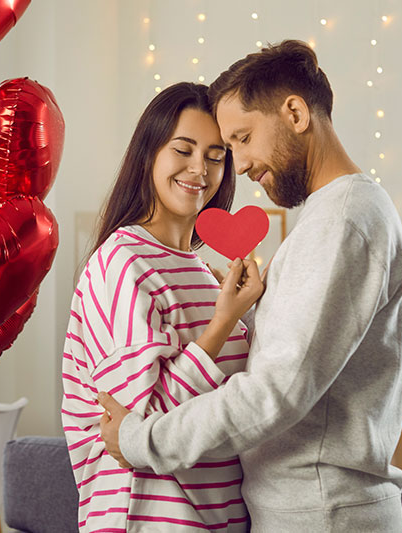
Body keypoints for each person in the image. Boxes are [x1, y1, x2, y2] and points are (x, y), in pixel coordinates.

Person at [99, 39, 402, 532]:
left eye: (240, 139)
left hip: (323, 515)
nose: (238, 166)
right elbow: (302, 362)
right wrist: (249, 313)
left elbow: (275, 392)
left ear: (294, 112)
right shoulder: (327, 217)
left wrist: (142, 441)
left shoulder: (343, 219)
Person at [61, 82, 262, 532]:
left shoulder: (205, 272)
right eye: (183, 150)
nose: (200, 169)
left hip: (219, 518)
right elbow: (138, 430)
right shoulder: (123, 261)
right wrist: (223, 323)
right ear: (149, 153)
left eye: (215, 155)